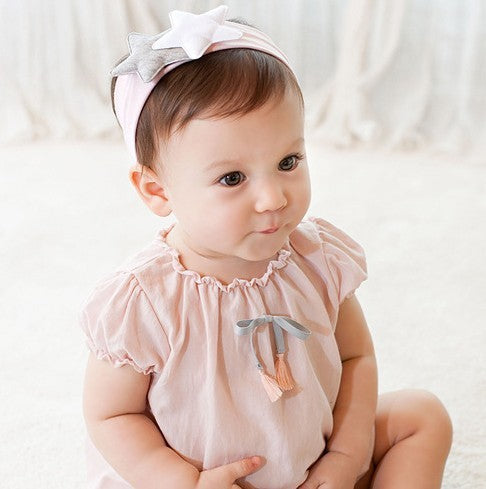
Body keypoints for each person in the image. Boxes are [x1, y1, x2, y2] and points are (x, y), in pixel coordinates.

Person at [79, 5, 452, 489]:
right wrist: (183, 481)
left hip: (316, 464)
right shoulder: (144, 300)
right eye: (232, 178)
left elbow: (357, 358)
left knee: (423, 416)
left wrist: (346, 453)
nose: (273, 198)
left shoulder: (317, 258)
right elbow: (112, 416)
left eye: (288, 160)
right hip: (211, 478)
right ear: (158, 191)